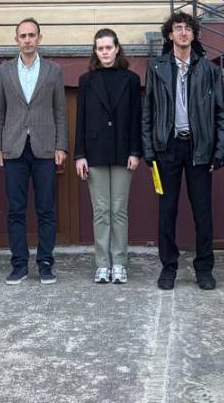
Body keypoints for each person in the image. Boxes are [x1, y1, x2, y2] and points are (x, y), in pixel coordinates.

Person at [142, 11, 224, 291]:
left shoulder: (209, 70)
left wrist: (219, 151)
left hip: (198, 148)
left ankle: (204, 268)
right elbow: (147, 111)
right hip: (167, 147)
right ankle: (168, 267)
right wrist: (148, 149)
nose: (183, 32)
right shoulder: (156, 68)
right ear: (170, 35)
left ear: (194, 35)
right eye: (178, 28)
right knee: (167, 211)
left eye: (188, 28)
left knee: (202, 212)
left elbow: (221, 113)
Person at [0, 17, 67, 285]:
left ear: (39, 38)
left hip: (45, 148)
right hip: (13, 148)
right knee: (16, 210)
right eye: (23, 36)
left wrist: (61, 145)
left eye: (32, 35)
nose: (27, 40)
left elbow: (60, 111)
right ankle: (19, 264)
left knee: (46, 209)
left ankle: (45, 263)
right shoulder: (4, 71)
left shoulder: (53, 70)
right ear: (16, 40)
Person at [73, 28, 142, 284]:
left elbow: (136, 117)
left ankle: (120, 263)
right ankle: (103, 264)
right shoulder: (86, 80)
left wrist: (135, 151)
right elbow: (80, 119)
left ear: (117, 49)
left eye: (109, 47)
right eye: (100, 48)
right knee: (101, 210)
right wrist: (80, 155)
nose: (105, 52)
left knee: (119, 210)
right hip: (95, 152)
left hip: (124, 152)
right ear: (95, 51)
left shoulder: (132, 79)